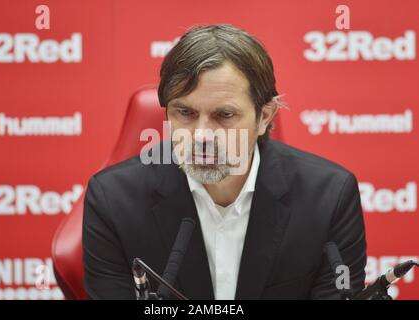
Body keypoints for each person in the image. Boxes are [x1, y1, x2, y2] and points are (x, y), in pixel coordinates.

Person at [83, 24, 367, 300]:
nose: (202, 135)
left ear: (265, 117)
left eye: (225, 115)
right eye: (185, 112)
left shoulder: (330, 197)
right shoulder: (112, 200)